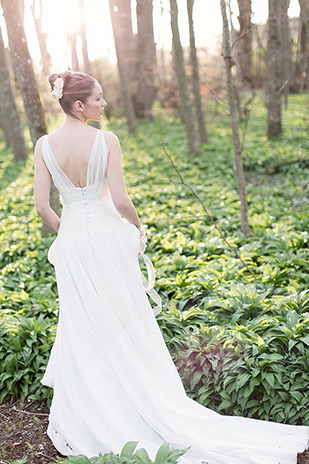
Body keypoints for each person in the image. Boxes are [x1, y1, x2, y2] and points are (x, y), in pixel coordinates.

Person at [34, 71, 308, 464]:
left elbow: (43, 207)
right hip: (109, 240)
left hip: (73, 244)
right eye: (97, 98)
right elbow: (122, 199)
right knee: (125, 320)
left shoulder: (44, 146)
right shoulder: (105, 140)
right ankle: (139, 400)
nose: (103, 103)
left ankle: (97, 408)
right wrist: (137, 228)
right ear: (78, 105)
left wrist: (69, 233)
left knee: (84, 323)